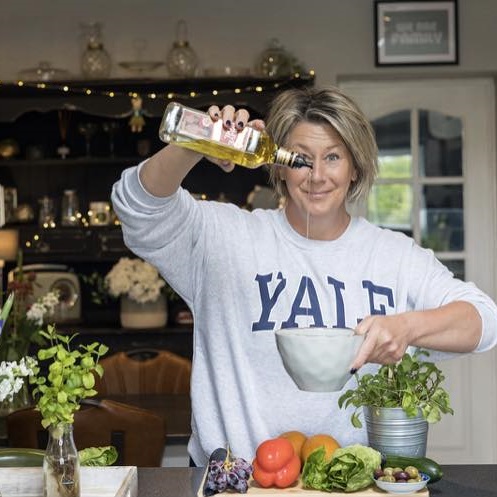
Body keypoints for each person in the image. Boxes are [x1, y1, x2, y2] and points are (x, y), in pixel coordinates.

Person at [111, 86, 497, 466]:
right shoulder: (224, 239)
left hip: (354, 486)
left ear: (355, 167)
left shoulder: (393, 256)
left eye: (333, 157)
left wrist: (406, 327)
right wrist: (197, 143)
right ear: (279, 164)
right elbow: (136, 207)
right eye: (301, 158)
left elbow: (484, 320)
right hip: (237, 485)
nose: (316, 175)